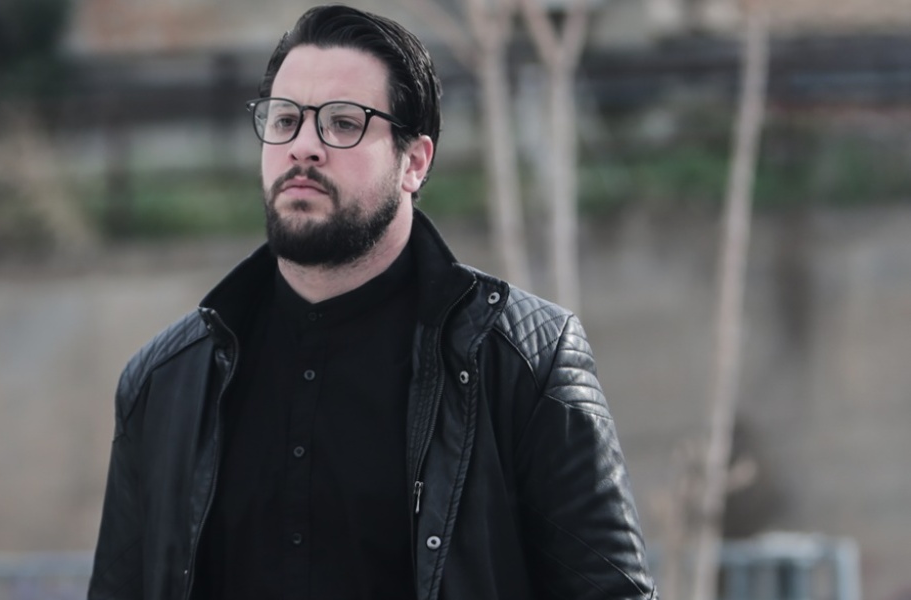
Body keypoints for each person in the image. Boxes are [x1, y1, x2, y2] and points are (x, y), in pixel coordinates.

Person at [89, 5, 657, 599]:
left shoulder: (523, 361)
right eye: (285, 120)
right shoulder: (165, 383)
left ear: (414, 162)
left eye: (342, 123)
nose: (303, 147)